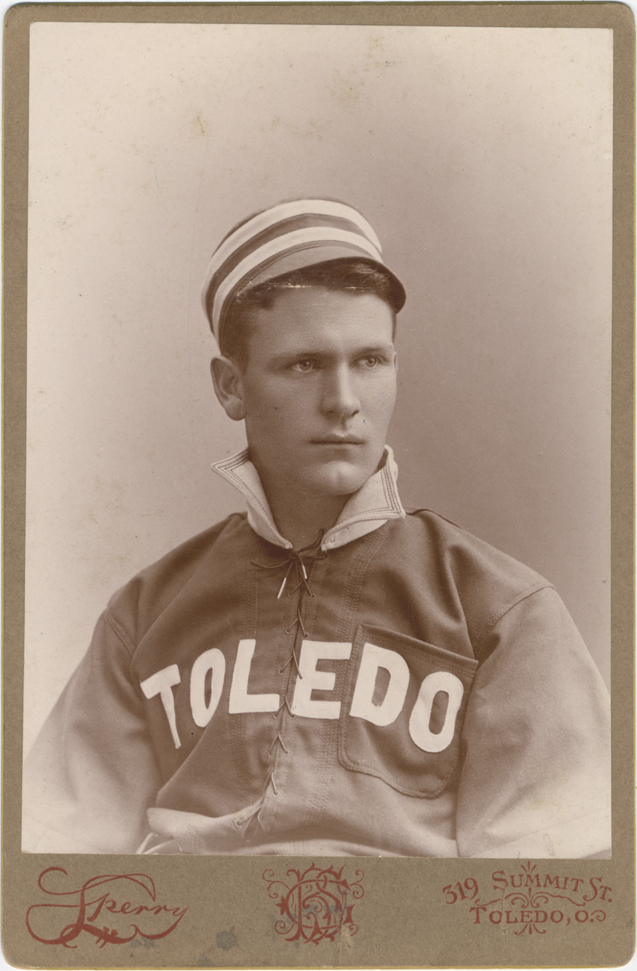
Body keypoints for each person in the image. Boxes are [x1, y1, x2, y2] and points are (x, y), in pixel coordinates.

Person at [22, 199, 611, 857]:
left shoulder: (502, 609)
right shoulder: (147, 612)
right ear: (230, 386)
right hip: (188, 921)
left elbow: (546, 885)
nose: (344, 401)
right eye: (304, 364)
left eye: (370, 361)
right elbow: (52, 865)